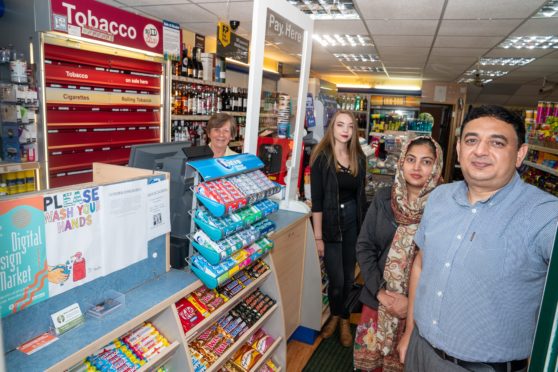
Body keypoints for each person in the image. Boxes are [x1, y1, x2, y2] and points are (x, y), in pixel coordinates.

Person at [399, 105, 558, 372]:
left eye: (497, 142)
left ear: (520, 154)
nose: (481, 151)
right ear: (459, 148)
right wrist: (409, 330)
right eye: (472, 140)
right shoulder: (439, 197)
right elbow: (420, 265)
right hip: (419, 350)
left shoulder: (544, 215)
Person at [353, 136, 443, 371]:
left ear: (436, 167)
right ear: (401, 162)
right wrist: (381, 293)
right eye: (411, 159)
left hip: (420, 314)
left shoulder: (444, 207)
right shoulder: (384, 198)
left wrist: (410, 304)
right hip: (377, 300)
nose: (416, 167)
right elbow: (365, 246)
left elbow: (441, 267)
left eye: (426, 162)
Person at [310, 110, 367, 347]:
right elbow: (318, 200)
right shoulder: (321, 158)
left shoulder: (359, 157)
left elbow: (360, 195)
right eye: (340, 125)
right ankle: (335, 314)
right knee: (336, 279)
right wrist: (318, 237)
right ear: (332, 127)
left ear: (355, 130)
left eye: (350, 126)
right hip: (331, 222)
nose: (345, 130)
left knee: (347, 278)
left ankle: (343, 319)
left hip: (353, 219)